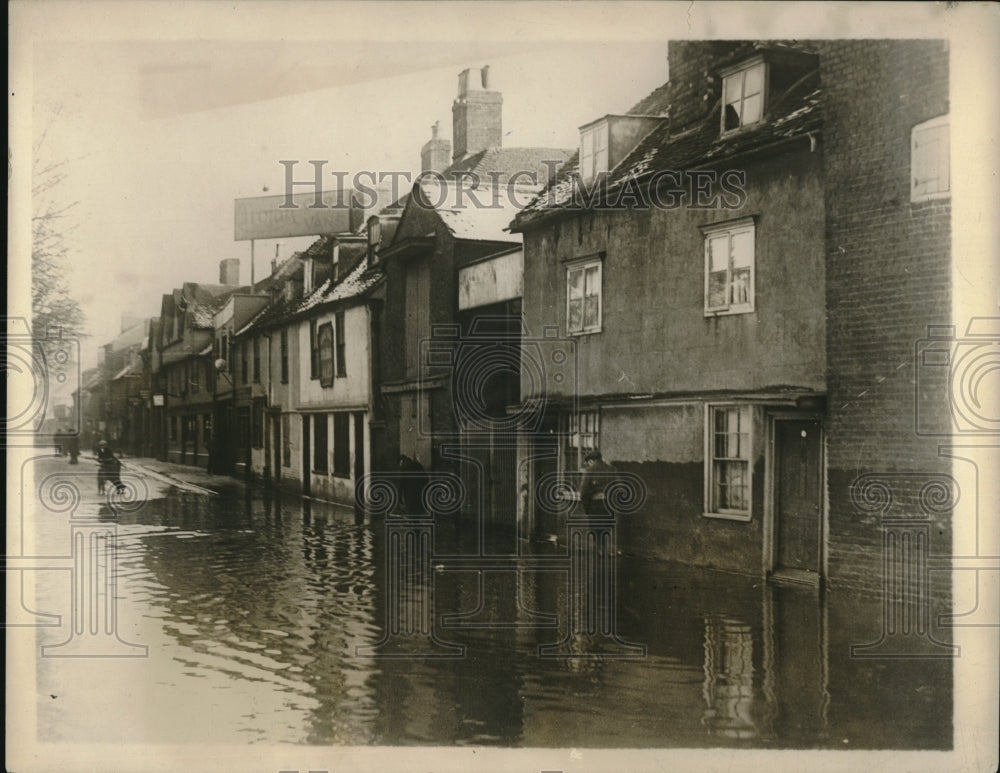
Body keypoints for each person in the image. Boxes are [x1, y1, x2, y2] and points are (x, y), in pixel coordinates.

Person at [578, 449, 617, 517]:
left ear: (591, 461)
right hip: (609, 506)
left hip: (594, 506)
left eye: (588, 463)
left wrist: (586, 509)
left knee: (596, 527)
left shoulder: (589, 471)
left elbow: (584, 493)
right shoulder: (612, 469)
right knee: (608, 527)